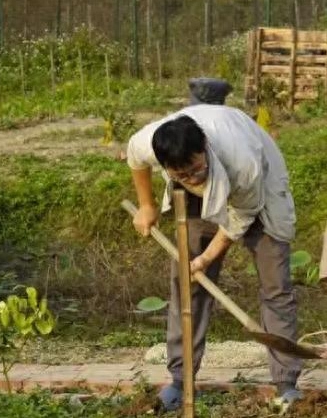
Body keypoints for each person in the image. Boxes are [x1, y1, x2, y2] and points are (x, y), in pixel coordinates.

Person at [126, 104, 302, 411]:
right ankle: (181, 381)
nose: (193, 178)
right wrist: (146, 204)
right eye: (182, 174)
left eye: (196, 169)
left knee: (275, 286)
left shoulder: (243, 162)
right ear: (166, 167)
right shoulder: (153, 142)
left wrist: (205, 259)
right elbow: (133, 154)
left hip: (261, 190)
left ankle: (286, 383)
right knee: (187, 286)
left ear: (204, 148)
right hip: (205, 191)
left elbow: (241, 216)